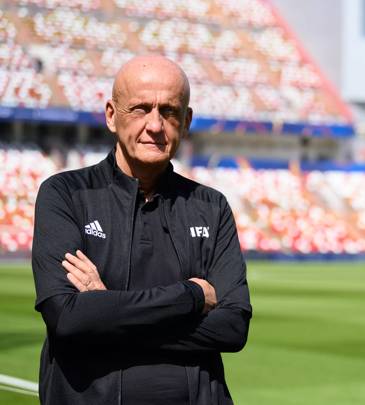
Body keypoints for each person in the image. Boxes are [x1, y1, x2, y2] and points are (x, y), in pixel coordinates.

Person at [32, 55, 252, 404]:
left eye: (169, 111)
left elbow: (233, 328)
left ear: (187, 120)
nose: (155, 125)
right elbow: (68, 319)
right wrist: (191, 297)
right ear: (111, 115)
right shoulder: (66, 195)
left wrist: (106, 311)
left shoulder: (211, 207)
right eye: (140, 109)